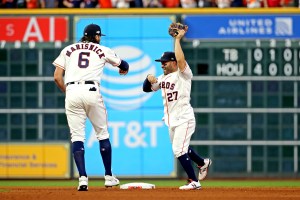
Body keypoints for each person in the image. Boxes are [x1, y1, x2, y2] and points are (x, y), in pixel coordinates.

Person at [53, 23, 129, 191]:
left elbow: (57, 77)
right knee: (102, 133)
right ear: (96, 36)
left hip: (72, 90)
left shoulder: (68, 49)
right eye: (99, 36)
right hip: (91, 90)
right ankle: (109, 176)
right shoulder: (102, 49)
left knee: (77, 136)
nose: (100, 39)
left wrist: (70, 92)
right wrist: (124, 70)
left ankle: (82, 179)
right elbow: (124, 65)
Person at [142, 25, 211, 190]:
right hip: (171, 120)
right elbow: (146, 89)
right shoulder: (163, 77)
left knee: (178, 150)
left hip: (184, 118)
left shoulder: (183, 74)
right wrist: (148, 78)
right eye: (161, 63)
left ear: (173, 62)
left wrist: (177, 39)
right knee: (182, 148)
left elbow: (181, 61)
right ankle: (202, 162)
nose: (162, 65)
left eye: (165, 62)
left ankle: (194, 181)